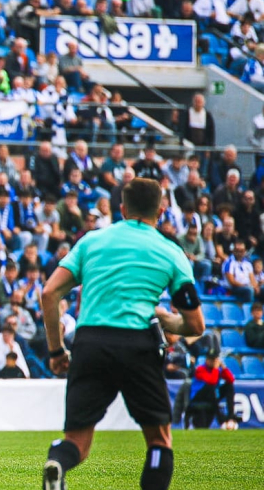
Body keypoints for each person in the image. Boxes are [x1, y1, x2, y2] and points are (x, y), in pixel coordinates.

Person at [39, 178, 205, 490]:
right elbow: (195, 325)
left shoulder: (92, 241)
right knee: (159, 440)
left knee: (76, 441)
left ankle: (57, 463)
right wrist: (167, 320)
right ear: (161, 209)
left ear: (122, 209)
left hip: (90, 344)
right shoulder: (170, 252)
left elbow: (49, 293)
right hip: (137, 345)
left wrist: (56, 351)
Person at [186, 351, 239, 429]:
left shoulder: (218, 369)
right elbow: (212, 381)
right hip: (199, 396)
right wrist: (215, 368)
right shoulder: (200, 369)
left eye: (214, 360)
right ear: (206, 360)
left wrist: (223, 367)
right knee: (210, 388)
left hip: (212, 396)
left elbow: (231, 379)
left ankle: (230, 416)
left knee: (229, 387)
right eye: (210, 360)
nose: (212, 362)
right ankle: (222, 419)